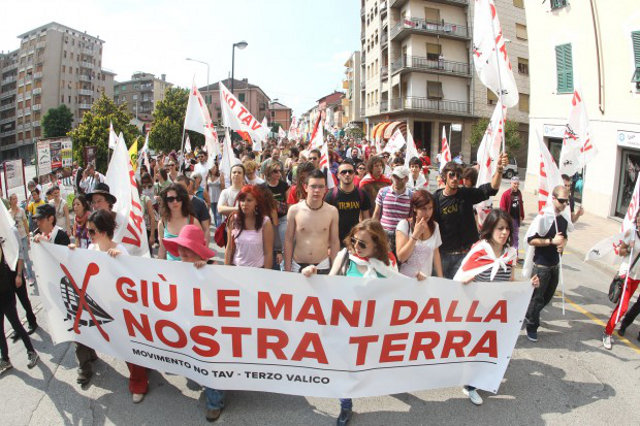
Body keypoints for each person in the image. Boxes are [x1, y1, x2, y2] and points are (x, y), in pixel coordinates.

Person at [304, 219, 399, 425]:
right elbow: (329, 283)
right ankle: (345, 406)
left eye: (363, 244)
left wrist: (418, 281)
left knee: (370, 365)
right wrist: (312, 275)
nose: (356, 246)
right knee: (344, 368)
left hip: (374, 327)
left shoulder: (388, 263)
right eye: (354, 240)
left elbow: (400, 290)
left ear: (377, 245)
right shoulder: (345, 256)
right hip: (346, 324)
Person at [453, 209, 539, 406]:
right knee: (475, 347)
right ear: (490, 229)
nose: (504, 233)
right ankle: (470, 385)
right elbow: (463, 276)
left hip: (496, 311)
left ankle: (479, 378)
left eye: (507, 229)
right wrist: (465, 281)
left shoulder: (510, 254)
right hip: (476, 309)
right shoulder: (479, 250)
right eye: (500, 228)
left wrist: (528, 284)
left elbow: (510, 281)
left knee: (490, 347)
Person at [72, 209, 150, 402]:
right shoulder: (91, 250)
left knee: (129, 344)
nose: (89, 235)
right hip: (101, 305)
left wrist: (119, 262)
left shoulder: (120, 250)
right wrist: (71, 252)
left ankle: (139, 382)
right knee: (117, 343)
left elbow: (130, 281)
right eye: (88, 231)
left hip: (121, 307)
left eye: (92, 231)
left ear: (104, 231)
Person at [161, 225, 222, 421]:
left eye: (187, 255)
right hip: (190, 326)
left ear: (198, 253)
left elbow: (225, 288)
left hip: (211, 330)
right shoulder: (178, 271)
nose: (182, 259)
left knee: (211, 363)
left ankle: (214, 403)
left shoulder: (213, 269)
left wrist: (208, 272)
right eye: (181, 255)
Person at [433, 156, 507, 278]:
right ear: (444, 176)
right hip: (444, 256)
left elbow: (492, 189)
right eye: (452, 175)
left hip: (466, 255)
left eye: (458, 176)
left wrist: (499, 170)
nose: (455, 178)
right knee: (443, 292)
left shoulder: (466, 194)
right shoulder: (435, 199)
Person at [524, 185, 569, 342]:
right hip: (541, 266)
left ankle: (529, 313)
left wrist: (563, 244)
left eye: (567, 201)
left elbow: (564, 237)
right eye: (562, 200)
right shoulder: (543, 217)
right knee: (537, 298)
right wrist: (551, 241)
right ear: (554, 199)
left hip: (555, 266)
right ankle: (531, 325)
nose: (564, 204)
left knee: (547, 297)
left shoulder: (563, 220)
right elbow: (531, 240)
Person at [0, 224, 39, 374]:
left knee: (16, 323)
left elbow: (20, 254)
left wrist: (18, 274)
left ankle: (32, 352)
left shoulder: (8, 234)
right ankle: (5, 359)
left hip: (5, 292)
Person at [284, 169, 340, 274]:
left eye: (321, 186)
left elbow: (334, 242)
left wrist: (335, 270)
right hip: (297, 265)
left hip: (322, 265)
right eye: (313, 186)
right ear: (306, 187)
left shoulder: (332, 211)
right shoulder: (294, 210)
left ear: (325, 189)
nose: (317, 190)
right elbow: (288, 240)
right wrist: (287, 269)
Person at [603, 211, 640, 349]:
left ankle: (609, 328)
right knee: (623, 307)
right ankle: (607, 332)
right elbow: (620, 251)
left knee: (621, 307)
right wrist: (629, 248)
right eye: (639, 220)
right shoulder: (631, 233)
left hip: (637, 277)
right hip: (627, 274)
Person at [395, 189, 443, 279]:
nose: (427, 213)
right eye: (423, 208)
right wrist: (415, 235)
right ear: (414, 208)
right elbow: (401, 257)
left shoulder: (435, 226)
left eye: (430, 208)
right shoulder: (404, 225)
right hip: (406, 281)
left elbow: (436, 253)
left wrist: (441, 278)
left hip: (425, 281)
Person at [224, 185, 274, 268]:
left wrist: (266, 275)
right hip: (237, 269)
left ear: (256, 202)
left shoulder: (265, 221)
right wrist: (226, 271)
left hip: (258, 271)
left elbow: (268, 252)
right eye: (242, 200)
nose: (245, 204)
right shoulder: (234, 219)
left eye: (249, 200)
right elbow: (229, 248)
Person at [325, 160, 372, 245]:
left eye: (350, 172)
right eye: (343, 172)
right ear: (338, 175)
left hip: (355, 240)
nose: (347, 174)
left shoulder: (362, 194)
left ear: (354, 174)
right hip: (335, 241)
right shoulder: (331, 195)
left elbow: (366, 220)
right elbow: (325, 221)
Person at [373, 165, 412, 253]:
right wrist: (373, 231)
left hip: (401, 235)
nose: (396, 180)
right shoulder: (383, 192)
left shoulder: (411, 196)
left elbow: (412, 217)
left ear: (406, 179)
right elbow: (376, 213)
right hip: (383, 233)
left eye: (399, 178)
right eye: (394, 177)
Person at [158, 184, 200, 261]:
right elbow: (162, 249)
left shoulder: (193, 221)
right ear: (166, 201)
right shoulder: (163, 223)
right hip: (170, 269)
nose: (175, 201)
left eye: (178, 198)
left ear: (183, 199)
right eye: (170, 199)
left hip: (190, 269)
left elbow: (201, 250)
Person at [262, 162, 290, 262]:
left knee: (283, 244)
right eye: (275, 171)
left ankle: (283, 266)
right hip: (267, 220)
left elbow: (288, 202)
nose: (279, 173)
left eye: (280, 171)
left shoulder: (284, 185)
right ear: (269, 173)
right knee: (268, 245)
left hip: (282, 218)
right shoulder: (263, 187)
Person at [176, 176, 210, 247]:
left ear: (188, 187)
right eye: (176, 187)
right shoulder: (170, 203)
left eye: (182, 187)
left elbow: (206, 229)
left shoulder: (200, 203)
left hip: (194, 246)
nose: (179, 190)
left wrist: (205, 249)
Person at [9, 194, 35, 286]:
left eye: (16, 198)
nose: (16, 200)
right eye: (13, 199)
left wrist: (28, 235)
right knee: (19, 257)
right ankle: (24, 274)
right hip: (15, 238)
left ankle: (30, 276)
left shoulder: (22, 210)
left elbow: (25, 223)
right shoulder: (9, 213)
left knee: (26, 257)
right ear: (10, 201)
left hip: (23, 236)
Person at [500, 176, 525, 260]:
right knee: (505, 237)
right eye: (514, 183)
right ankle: (502, 255)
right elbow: (502, 208)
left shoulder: (519, 193)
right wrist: (504, 219)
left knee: (515, 238)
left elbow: (521, 205)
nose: (516, 185)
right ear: (511, 183)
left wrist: (522, 215)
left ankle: (515, 256)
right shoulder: (506, 194)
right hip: (508, 219)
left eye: (517, 184)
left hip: (516, 219)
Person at [207, 161, 225, 227]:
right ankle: (217, 228)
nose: (213, 169)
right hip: (211, 198)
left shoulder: (220, 176)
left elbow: (223, 187)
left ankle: (218, 228)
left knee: (218, 215)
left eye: (214, 168)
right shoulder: (207, 176)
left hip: (218, 197)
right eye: (212, 168)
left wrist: (222, 180)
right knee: (214, 215)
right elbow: (206, 188)